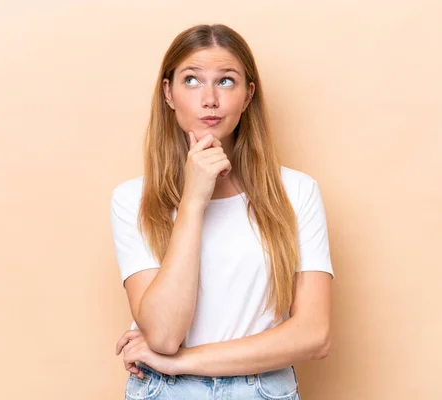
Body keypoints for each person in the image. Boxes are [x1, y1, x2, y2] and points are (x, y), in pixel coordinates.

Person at [110, 23, 334, 400]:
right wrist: (193, 200)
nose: (209, 99)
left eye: (226, 81)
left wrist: (181, 362)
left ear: (248, 96)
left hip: (262, 391)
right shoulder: (133, 199)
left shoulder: (296, 192)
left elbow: (314, 335)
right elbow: (164, 335)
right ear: (168, 93)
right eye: (192, 80)